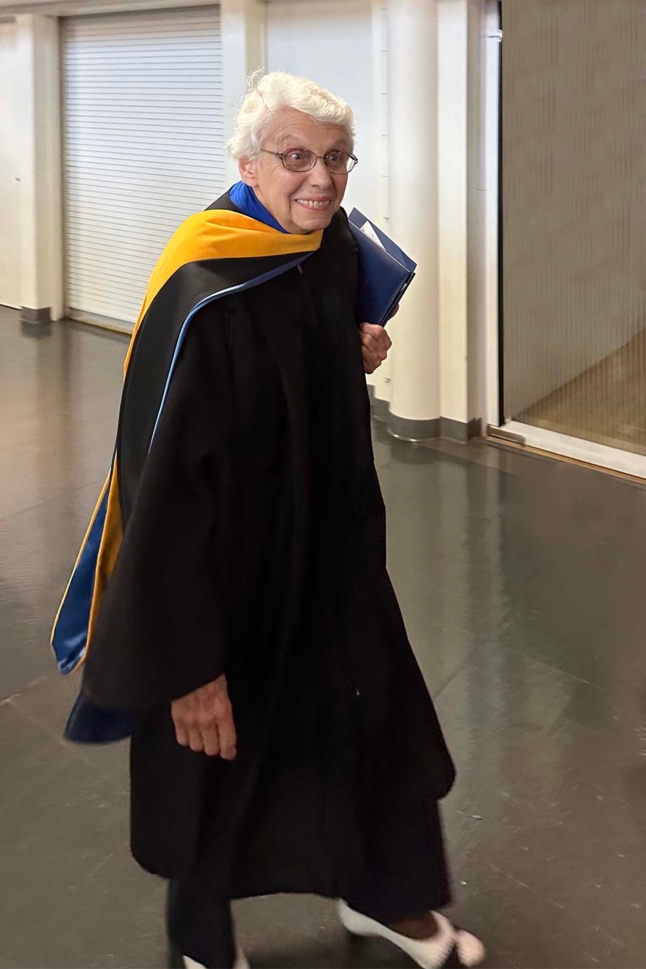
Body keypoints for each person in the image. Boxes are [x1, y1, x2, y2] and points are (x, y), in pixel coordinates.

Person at [51, 72, 485, 969]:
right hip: (227, 579)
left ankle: (382, 897)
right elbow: (165, 488)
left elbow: (303, 369)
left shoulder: (328, 250)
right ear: (248, 164)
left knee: (372, 724)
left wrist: (354, 349)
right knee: (214, 750)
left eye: (336, 158)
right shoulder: (203, 281)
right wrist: (187, 662)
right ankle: (202, 944)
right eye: (295, 157)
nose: (320, 178)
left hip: (333, 558)